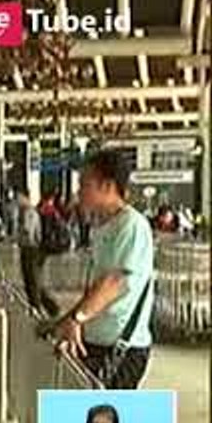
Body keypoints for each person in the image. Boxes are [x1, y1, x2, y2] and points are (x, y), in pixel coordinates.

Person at [52, 150, 155, 389]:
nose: (78, 193)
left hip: (121, 346)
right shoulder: (103, 227)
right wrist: (68, 320)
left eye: (84, 185)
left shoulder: (132, 225)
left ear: (108, 186)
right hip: (97, 339)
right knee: (86, 420)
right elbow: (96, 287)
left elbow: (114, 283)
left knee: (106, 421)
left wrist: (78, 318)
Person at [18, 191, 60, 318]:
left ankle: (40, 306)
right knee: (35, 280)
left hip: (32, 249)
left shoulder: (30, 212)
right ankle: (48, 306)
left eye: (19, 197)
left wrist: (20, 237)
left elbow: (28, 232)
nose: (18, 200)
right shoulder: (34, 211)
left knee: (32, 279)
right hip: (35, 248)